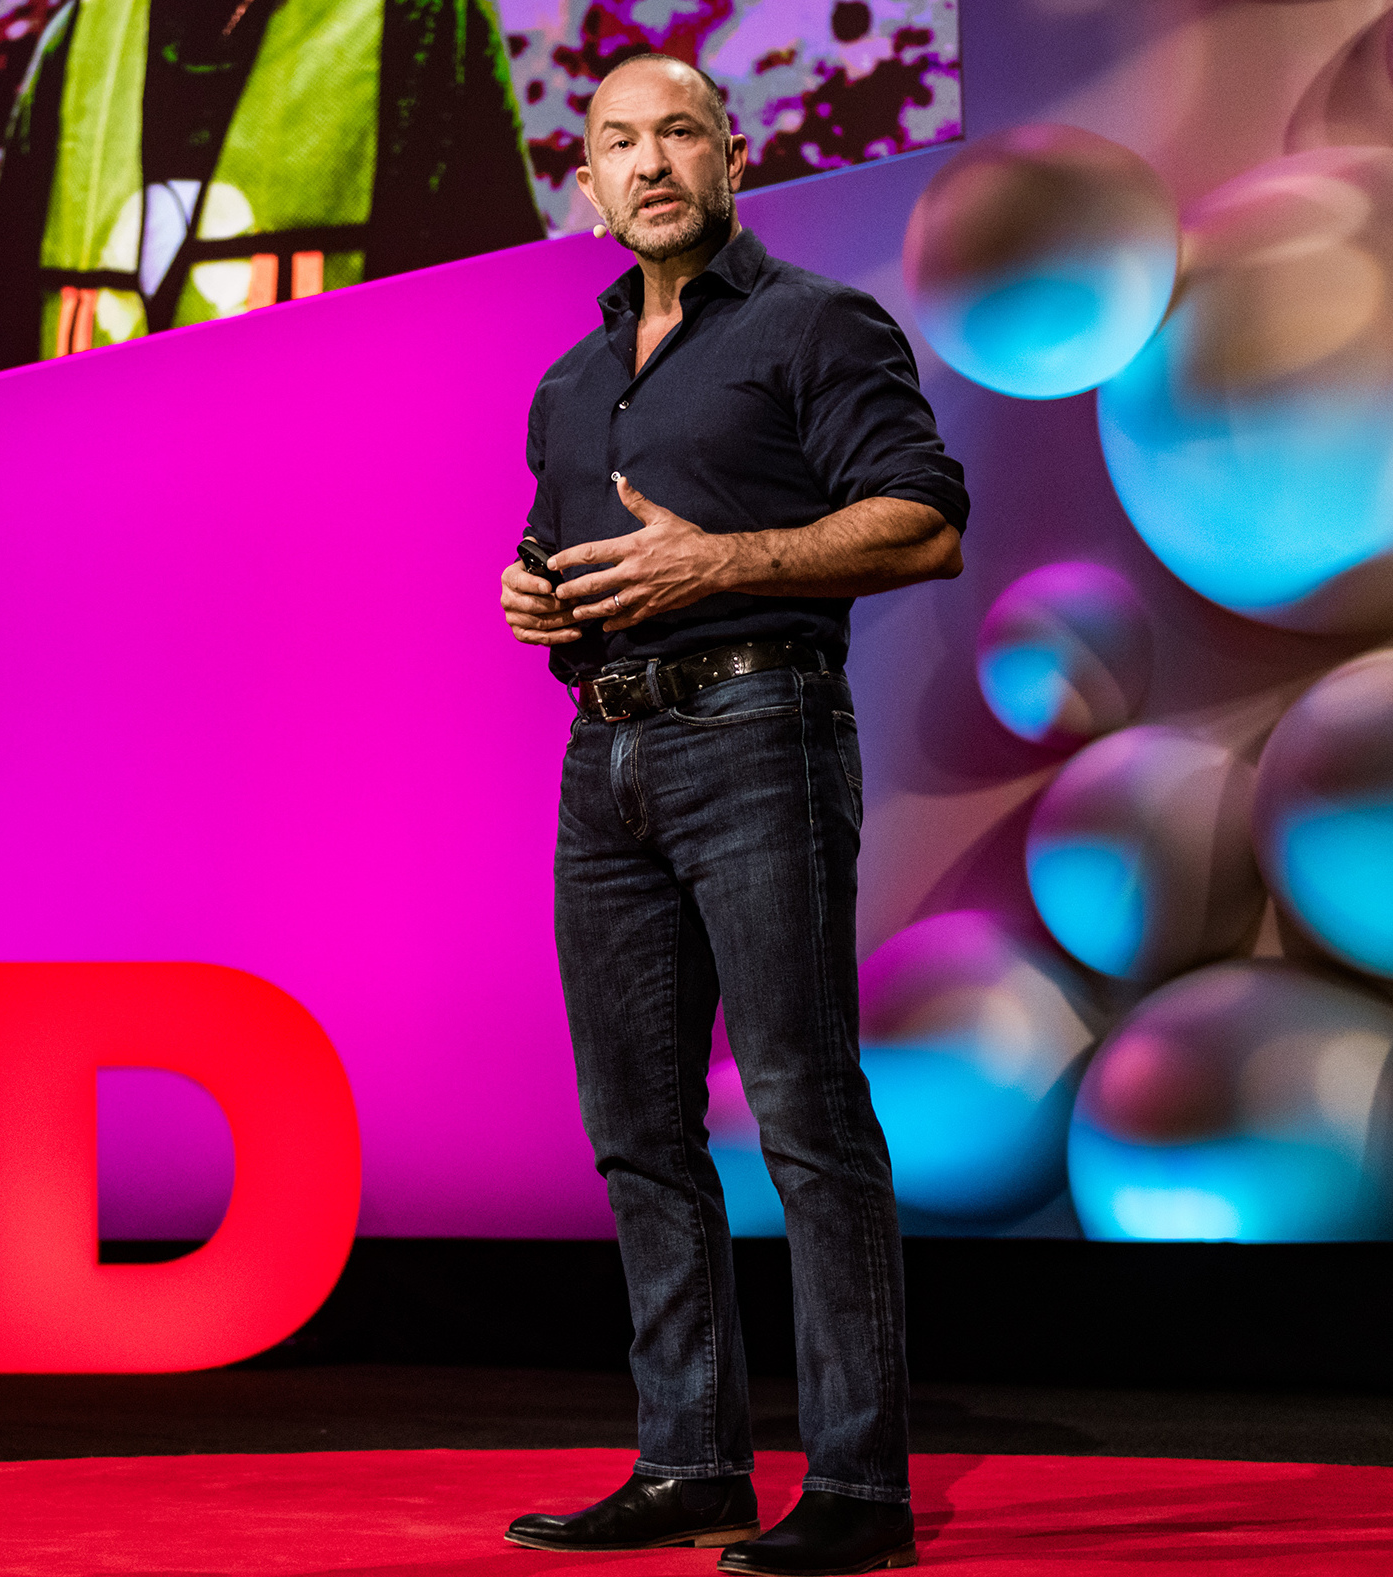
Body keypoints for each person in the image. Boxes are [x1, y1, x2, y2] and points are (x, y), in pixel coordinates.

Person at [496, 51, 968, 1577]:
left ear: (729, 154)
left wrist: (717, 563)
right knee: (633, 1129)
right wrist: (534, 595)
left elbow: (922, 521)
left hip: (757, 724)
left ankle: (855, 1489)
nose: (648, 164)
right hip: (604, 756)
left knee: (803, 1117)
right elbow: (570, 554)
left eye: (677, 134)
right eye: (616, 142)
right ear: (584, 184)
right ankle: (689, 1462)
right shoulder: (569, 384)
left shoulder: (812, 323)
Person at [0, 0, 545, 371]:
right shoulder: (78, 43)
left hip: (330, 527)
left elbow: (495, 347)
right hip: (104, 529)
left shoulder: (419, 22)